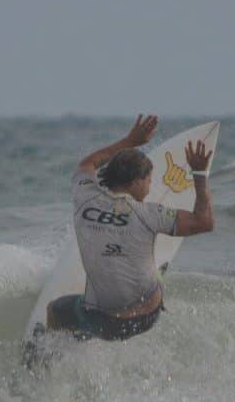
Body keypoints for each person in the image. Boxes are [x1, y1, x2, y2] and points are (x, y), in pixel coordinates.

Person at [44, 113, 215, 341]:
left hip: (100, 321)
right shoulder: (150, 214)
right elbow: (204, 221)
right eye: (149, 180)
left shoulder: (84, 196)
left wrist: (130, 141)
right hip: (142, 318)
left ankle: (45, 360)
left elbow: (87, 164)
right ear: (136, 182)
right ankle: (157, 276)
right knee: (151, 269)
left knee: (54, 311)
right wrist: (199, 174)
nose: (150, 185)